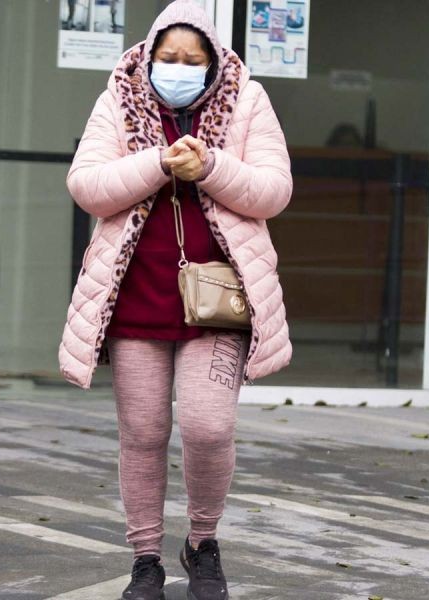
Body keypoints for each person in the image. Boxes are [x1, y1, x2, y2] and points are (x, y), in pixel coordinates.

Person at [58, 1, 292, 598]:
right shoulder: (119, 99)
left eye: (193, 60)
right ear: (149, 56)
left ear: (214, 63)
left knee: (209, 428)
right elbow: (87, 185)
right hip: (136, 297)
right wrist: (159, 163)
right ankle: (145, 560)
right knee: (142, 432)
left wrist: (209, 166)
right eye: (169, 57)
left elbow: (273, 190)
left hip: (218, 301)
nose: (180, 68)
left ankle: (202, 544)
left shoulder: (247, 101)